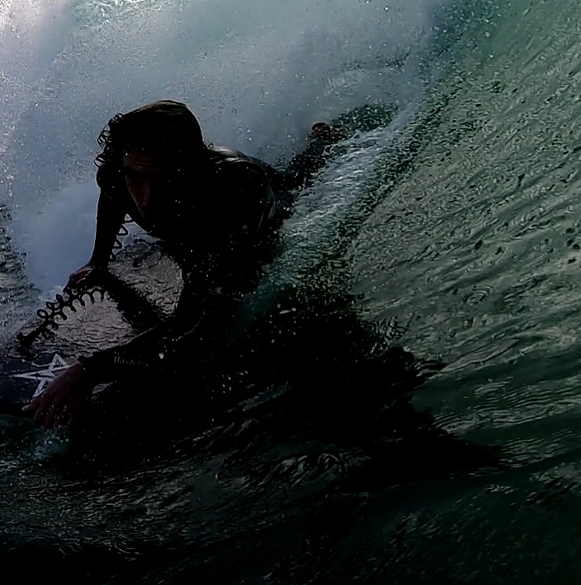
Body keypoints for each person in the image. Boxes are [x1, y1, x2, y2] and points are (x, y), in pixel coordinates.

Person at [25, 100, 346, 429]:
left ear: (191, 167)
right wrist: (99, 260)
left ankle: (324, 142)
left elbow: (198, 325)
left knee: (300, 180)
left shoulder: (237, 194)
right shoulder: (118, 172)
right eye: (137, 178)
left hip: (265, 203)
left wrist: (91, 370)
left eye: (165, 179)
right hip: (197, 223)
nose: (147, 198)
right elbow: (111, 197)